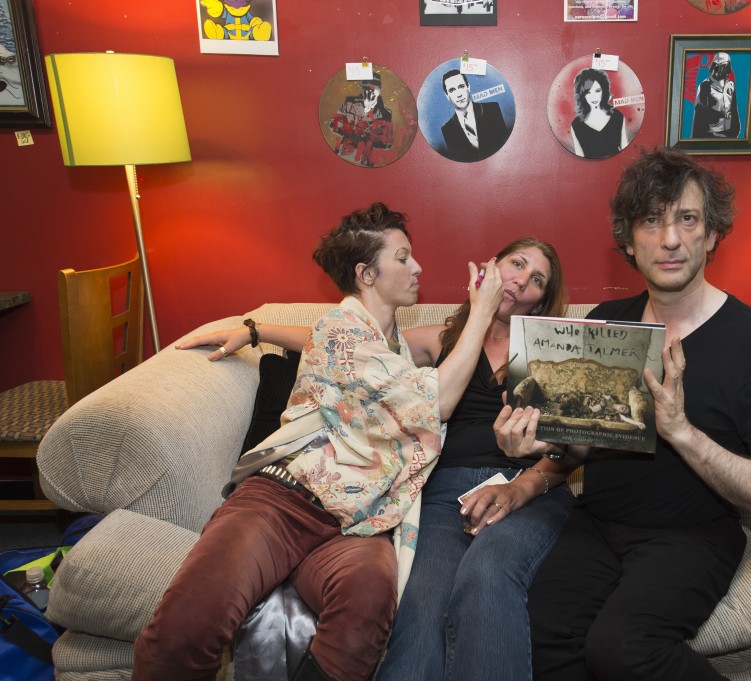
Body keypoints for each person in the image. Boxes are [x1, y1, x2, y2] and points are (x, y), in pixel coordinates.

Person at [133, 203, 503, 681]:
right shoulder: (341, 331)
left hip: (360, 522)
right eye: (404, 258)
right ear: (366, 274)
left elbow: (340, 353)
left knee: (366, 608)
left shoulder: (383, 342)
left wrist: (255, 329)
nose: (418, 268)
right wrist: (482, 309)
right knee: (188, 624)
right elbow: (439, 401)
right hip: (286, 500)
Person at [181, 237, 576, 681]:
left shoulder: (552, 350)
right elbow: (348, 349)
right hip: (447, 495)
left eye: (536, 279)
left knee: (486, 578)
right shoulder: (442, 339)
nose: (521, 280)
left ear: (541, 299)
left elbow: (572, 451)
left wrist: (523, 484)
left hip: (523, 487)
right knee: (419, 609)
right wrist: (257, 330)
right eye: (517, 264)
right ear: (491, 267)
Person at [497, 148, 751, 680]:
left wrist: (682, 433)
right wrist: (538, 439)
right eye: (651, 221)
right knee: (540, 632)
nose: (669, 240)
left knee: (622, 647)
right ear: (627, 239)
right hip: (597, 523)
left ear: (711, 235)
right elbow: (582, 447)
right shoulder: (605, 324)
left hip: (693, 535)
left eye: (687, 219)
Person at [439, 69, 511, 162]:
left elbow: (505, 147)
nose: (459, 94)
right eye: (452, 90)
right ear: (447, 95)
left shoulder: (493, 109)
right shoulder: (447, 130)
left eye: (461, 86)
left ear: (468, 87)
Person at [331, 72, 394, 167]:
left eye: (374, 89)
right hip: (343, 155)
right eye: (367, 88)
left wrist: (374, 135)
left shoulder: (386, 113)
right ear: (362, 89)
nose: (370, 91)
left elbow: (387, 144)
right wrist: (353, 128)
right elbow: (332, 124)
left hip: (366, 161)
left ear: (379, 90)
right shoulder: (349, 103)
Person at [570, 68, 629, 160]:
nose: (594, 97)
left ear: (604, 91)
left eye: (597, 91)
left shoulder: (617, 116)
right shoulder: (576, 125)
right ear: (582, 95)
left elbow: (625, 151)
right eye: (588, 92)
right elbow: (580, 158)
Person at [691, 52, 740, 139]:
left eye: (725, 66)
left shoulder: (731, 85)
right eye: (718, 66)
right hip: (711, 134)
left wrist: (736, 130)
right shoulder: (705, 86)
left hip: (729, 134)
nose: (721, 70)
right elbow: (699, 115)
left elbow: (734, 109)